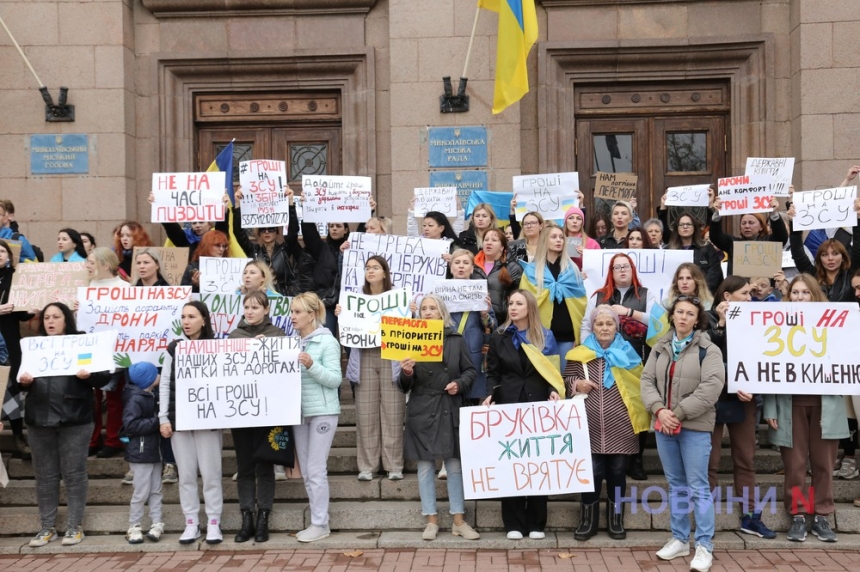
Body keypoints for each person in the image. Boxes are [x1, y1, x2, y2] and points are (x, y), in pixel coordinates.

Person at [640, 295, 725, 571]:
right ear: (672, 316)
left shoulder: (709, 350)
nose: (683, 317)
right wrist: (658, 410)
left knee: (698, 487)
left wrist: (677, 412)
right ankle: (679, 539)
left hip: (694, 428)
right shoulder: (660, 346)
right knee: (676, 485)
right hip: (664, 425)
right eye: (679, 312)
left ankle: (704, 545)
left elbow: (711, 387)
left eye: (690, 313)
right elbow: (647, 380)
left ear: (697, 319)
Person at [19, 303, 113, 547]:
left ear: (66, 320)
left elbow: (105, 375)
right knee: (45, 476)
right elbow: (18, 380)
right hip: (39, 418)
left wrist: (88, 375)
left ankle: (74, 526)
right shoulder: (34, 346)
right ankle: (47, 527)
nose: (50, 321)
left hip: (75, 418)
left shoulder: (81, 343)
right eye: (46, 317)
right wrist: (25, 382)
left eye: (56, 317)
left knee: (73, 473)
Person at [763, 274, 848, 543]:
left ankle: (822, 515)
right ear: (789, 297)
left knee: (823, 464)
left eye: (805, 293)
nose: (800, 298)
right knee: (795, 465)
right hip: (791, 406)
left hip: (826, 405)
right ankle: (798, 515)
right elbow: (767, 368)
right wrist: (771, 409)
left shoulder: (835, 325)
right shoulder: (777, 326)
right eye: (795, 293)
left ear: (815, 295)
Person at [482, 290, 563, 540]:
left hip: (538, 404)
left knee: (537, 462)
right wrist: (491, 395)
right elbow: (493, 372)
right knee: (512, 463)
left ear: (530, 307)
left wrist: (553, 391)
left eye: (519, 303)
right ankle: (513, 522)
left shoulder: (546, 336)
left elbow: (552, 370)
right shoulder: (499, 337)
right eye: (511, 303)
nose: (513, 307)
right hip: (508, 405)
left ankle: (537, 522)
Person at [399, 295, 480, 542]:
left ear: (442, 312)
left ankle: (459, 520)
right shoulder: (409, 338)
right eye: (424, 308)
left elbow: (470, 371)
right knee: (424, 468)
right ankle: (431, 520)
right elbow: (402, 385)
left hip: (449, 406)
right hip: (422, 408)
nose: (427, 311)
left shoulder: (455, 340)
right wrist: (407, 372)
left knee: (454, 466)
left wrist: (459, 384)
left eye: (432, 308)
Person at [564, 305, 648, 541]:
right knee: (591, 471)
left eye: (609, 323)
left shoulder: (629, 353)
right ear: (592, 327)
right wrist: (576, 385)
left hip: (620, 423)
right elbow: (565, 379)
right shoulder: (580, 353)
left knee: (618, 472)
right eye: (599, 324)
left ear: (616, 327)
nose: (604, 328)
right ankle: (587, 521)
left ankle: (615, 520)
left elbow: (640, 384)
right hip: (588, 424)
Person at [705, 276, 776, 539]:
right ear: (727, 297)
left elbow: (764, 356)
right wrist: (722, 324)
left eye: (751, 294)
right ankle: (705, 518)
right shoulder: (706, 319)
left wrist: (752, 385)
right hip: (712, 399)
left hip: (744, 400)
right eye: (744, 294)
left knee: (745, 460)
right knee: (709, 462)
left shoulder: (757, 320)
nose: (750, 298)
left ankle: (750, 517)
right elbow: (705, 357)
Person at [582, 252, 657, 480]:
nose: (622, 270)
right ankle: (607, 458)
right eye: (617, 267)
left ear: (632, 270)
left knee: (636, 407)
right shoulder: (599, 295)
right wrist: (588, 351)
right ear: (611, 272)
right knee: (612, 409)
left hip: (635, 358)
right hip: (602, 360)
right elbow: (586, 324)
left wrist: (630, 312)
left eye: (626, 267)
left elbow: (658, 322)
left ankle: (636, 460)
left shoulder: (645, 294)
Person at [159, 301, 224, 545]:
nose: (186, 321)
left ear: (204, 320)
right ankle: (191, 523)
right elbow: (165, 384)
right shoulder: (174, 349)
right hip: (180, 421)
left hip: (208, 420)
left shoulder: (217, 347)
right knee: (186, 475)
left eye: (192, 316)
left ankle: (214, 522)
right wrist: (163, 417)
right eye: (183, 317)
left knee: (211, 474)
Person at [228, 291, 286, 543]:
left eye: (255, 307)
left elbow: (286, 371)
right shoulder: (234, 337)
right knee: (244, 466)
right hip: (242, 412)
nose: (250, 311)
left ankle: (263, 516)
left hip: (269, 412)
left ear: (266, 310)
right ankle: (246, 517)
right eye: (247, 307)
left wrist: (268, 349)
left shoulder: (277, 336)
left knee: (265, 465)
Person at [343, 256, 404, 481]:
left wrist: (411, 311)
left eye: (375, 268)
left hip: (391, 356)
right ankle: (367, 466)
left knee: (393, 412)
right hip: (365, 356)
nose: (370, 271)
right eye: (367, 268)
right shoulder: (355, 299)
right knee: (366, 413)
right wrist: (343, 315)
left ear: (385, 273)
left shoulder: (398, 298)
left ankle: (394, 465)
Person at [289, 292, 342, 542]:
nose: (293, 317)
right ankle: (317, 522)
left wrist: (311, 365)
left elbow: (335, 380)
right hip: (299, 413)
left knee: (315, 469)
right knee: (309, 472)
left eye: (297, 312)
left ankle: (321, 523)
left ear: (311, 315)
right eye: (291, 312)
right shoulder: (291, 342)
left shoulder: (327, 342)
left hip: (323, 412)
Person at [520, 223, 587, 370]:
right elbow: (524, 303)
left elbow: (581, 303)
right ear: (545, 240)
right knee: (543, 380)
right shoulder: (531, 270)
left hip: (567, 335)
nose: (559, 240)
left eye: (561, 238)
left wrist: (578, 334)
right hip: (540, 335)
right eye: (554, 237)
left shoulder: (572, 269)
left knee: (564, 380)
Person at [85, 248, 131, 460]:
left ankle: (113, 440)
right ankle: (92, 441)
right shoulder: (88, 287)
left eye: (91, 262)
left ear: (105, 265)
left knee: (113, 399)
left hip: (116, 351)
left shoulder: (124, 288)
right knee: (91, 399)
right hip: (90, 351)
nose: (87, 265)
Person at [0, 239, 36, 460]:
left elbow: (20, 312)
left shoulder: (15, 277)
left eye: (2, 251)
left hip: (8, 342)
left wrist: (31, 310)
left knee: (12, 389)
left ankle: (18, 437)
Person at [122, 362, 165, 544]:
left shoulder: (149, 396)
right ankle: (134, 525)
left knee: (156, 489)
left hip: (154, 451)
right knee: (141, 491)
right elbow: (130, 425)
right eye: (156, 373)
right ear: (149, 379)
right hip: (141, 452)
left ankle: (157, 522)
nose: (159, 375)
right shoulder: (136, 399)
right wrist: (156, 421)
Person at [448, 249, 496, 403]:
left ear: (472, 269)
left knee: (471, 405)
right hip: (447, 356)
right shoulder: (439, 293)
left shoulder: (481, 293)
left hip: (473, 356)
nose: (461, 266)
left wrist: (484, 315)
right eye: (457, 262)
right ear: (451, 268)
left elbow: (493, 327)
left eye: (465, 263)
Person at [709, 195, 787, 275]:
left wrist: (773, 213)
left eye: (751, 223)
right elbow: (715, 237)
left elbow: (781, 236)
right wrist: (717, 214)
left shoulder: (769, 242)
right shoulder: (732, 243)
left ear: (761, 226)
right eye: (743, 223)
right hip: (739, 286)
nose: (747, 226)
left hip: (763, 286)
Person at [659, 202, 724, 294]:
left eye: (689, 224)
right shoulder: (670, 250)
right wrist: (663, 208)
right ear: (677, 228)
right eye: (681, 225)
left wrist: (699, 291)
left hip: (703, 296)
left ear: (694, 227)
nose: (685, 227)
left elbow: (714, 273)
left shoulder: (706, 247)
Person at [474, 227, 522, 324]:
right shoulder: (471, 265)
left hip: (502, 322)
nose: (489, 243)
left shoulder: (513, 268)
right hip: (475, 320)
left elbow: (519, 297)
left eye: (494, 240)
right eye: (486, 240)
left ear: (502, 247)